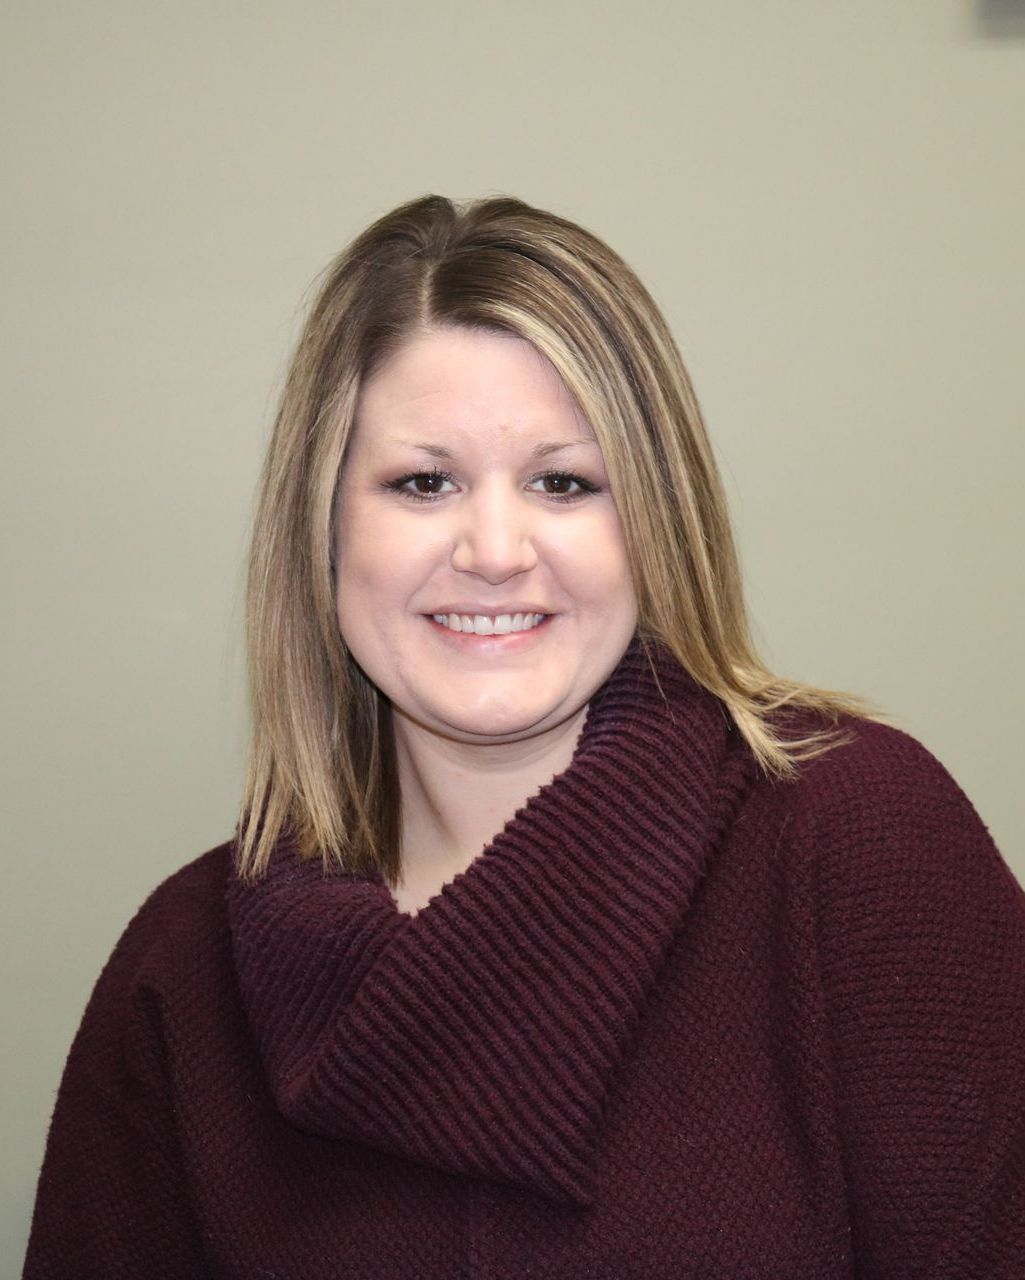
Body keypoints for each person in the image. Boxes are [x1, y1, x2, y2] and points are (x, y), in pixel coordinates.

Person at [23, 195, 1025, 1278]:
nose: (494, 549)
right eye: (422, 481)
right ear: (322, 532)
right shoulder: (181, 973)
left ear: (655, 521)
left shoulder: (858, 838)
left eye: (563, 481)